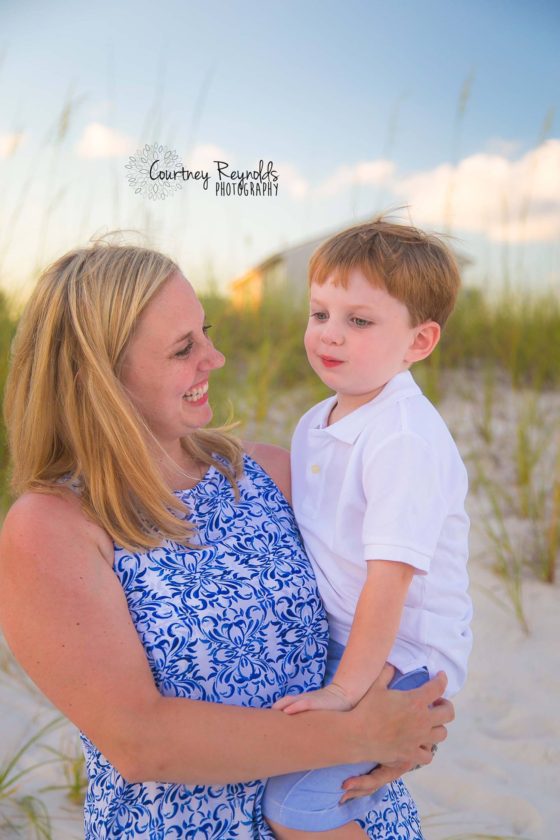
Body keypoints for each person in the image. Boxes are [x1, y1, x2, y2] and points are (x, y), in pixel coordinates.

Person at [0, 242, 453, 840]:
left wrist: (419, 718)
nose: (213, 357)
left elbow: (402, 595)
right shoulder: (52, 527)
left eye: (204, 331)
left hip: (355, 819)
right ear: (99, 379)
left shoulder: (274, 472)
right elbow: (142, 741)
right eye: (183, 348)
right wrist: (366, 734)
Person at [263, 219, 472, 837]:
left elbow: (391, 578)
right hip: (348, 639)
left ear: (419, 341)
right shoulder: (314, 423)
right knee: (329, 781)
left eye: (359, 321)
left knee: (296, 803)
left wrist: (344, 690)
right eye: (320, 312)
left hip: (404, 652)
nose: (329, 334)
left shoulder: (403, 438)